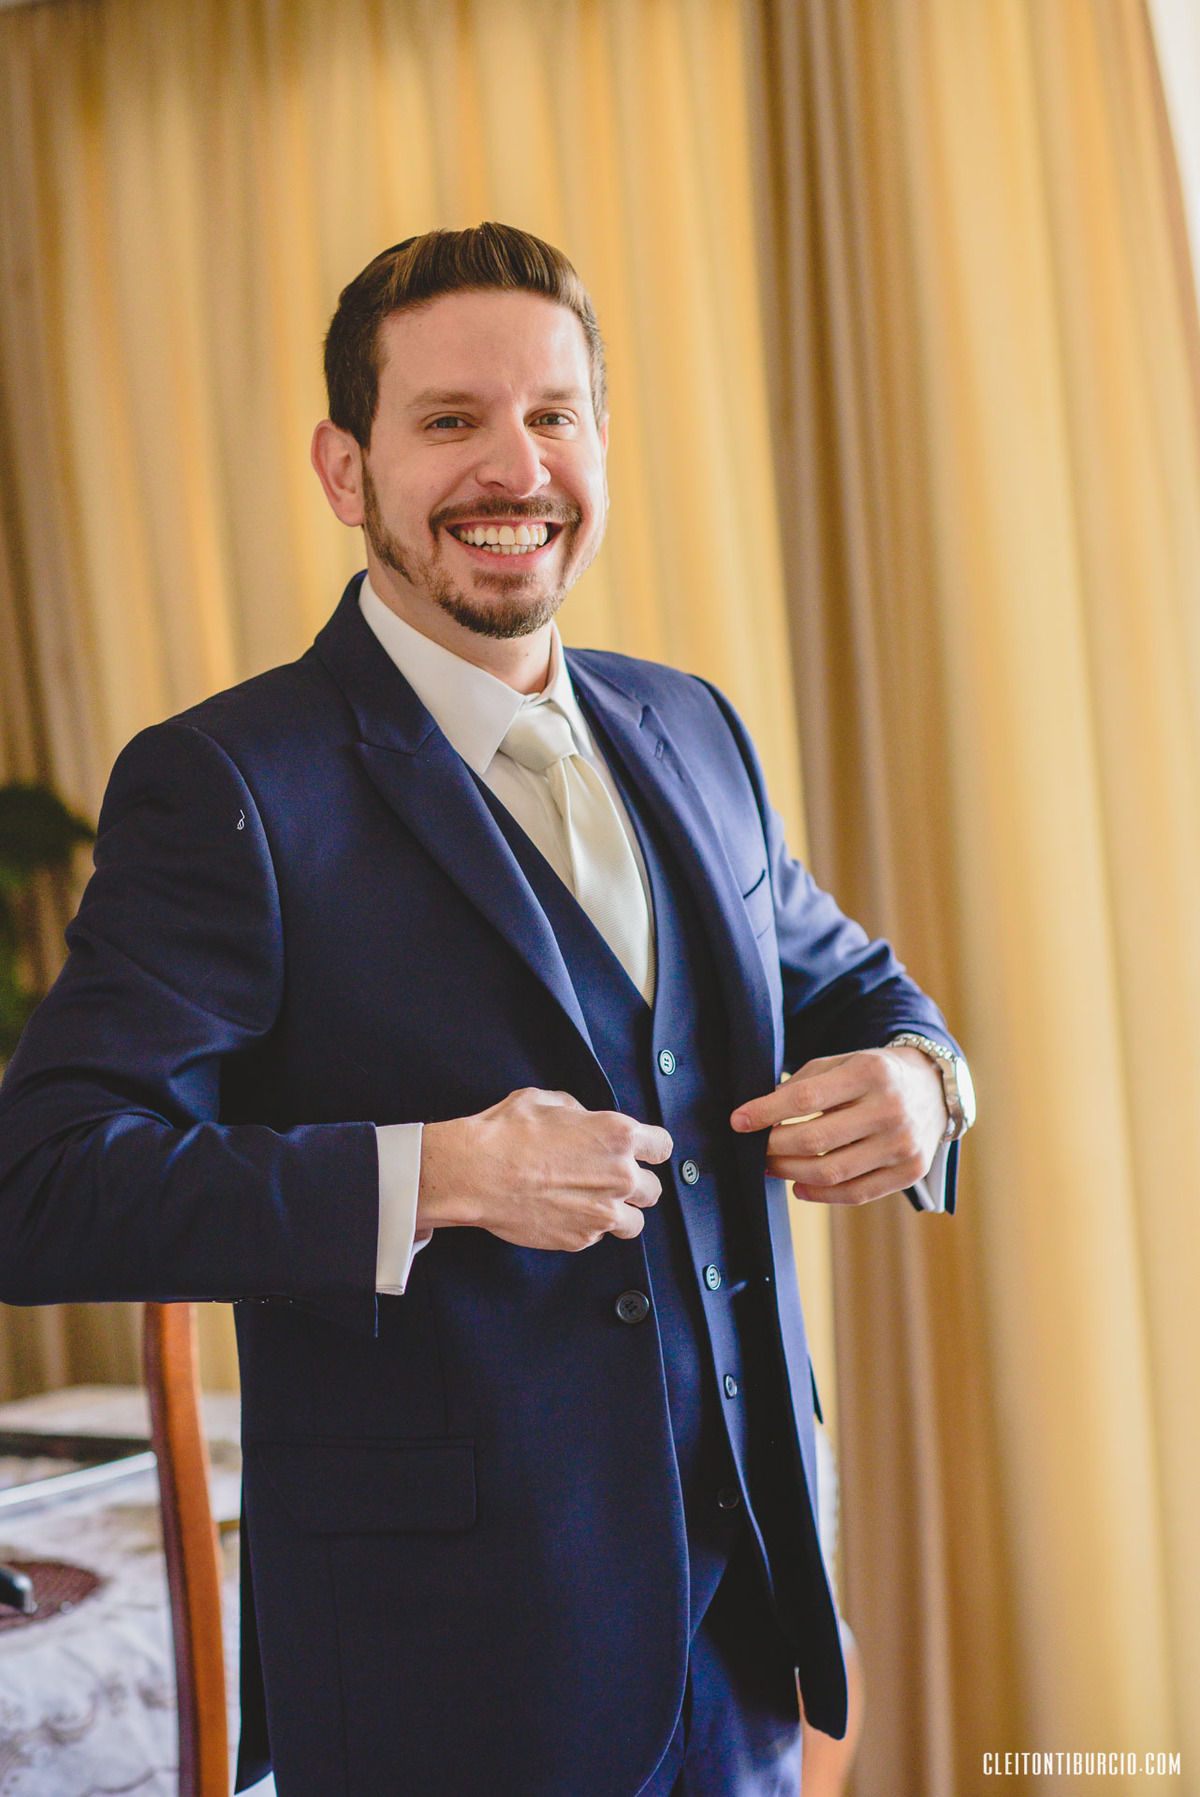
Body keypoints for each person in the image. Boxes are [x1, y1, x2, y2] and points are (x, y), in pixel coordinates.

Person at [0, 224, 974, 1797]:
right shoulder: (229, 784)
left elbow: (853, 983)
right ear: (346, 469)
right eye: (450, 419)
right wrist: (436, 1173)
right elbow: (40, 1186)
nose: (514, 467)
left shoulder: (694, 726)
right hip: (443, 1680)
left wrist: (925, 1081)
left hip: (746, 1654)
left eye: (552, 415)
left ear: (600, 442)